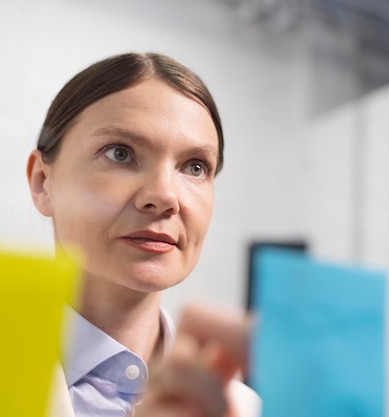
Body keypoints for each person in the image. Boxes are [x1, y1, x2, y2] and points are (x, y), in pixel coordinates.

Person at [26, 52, 260, 417]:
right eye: (121, 153)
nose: (165, 197)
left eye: (195, 167)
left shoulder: (250, 410)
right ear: (43, 182)